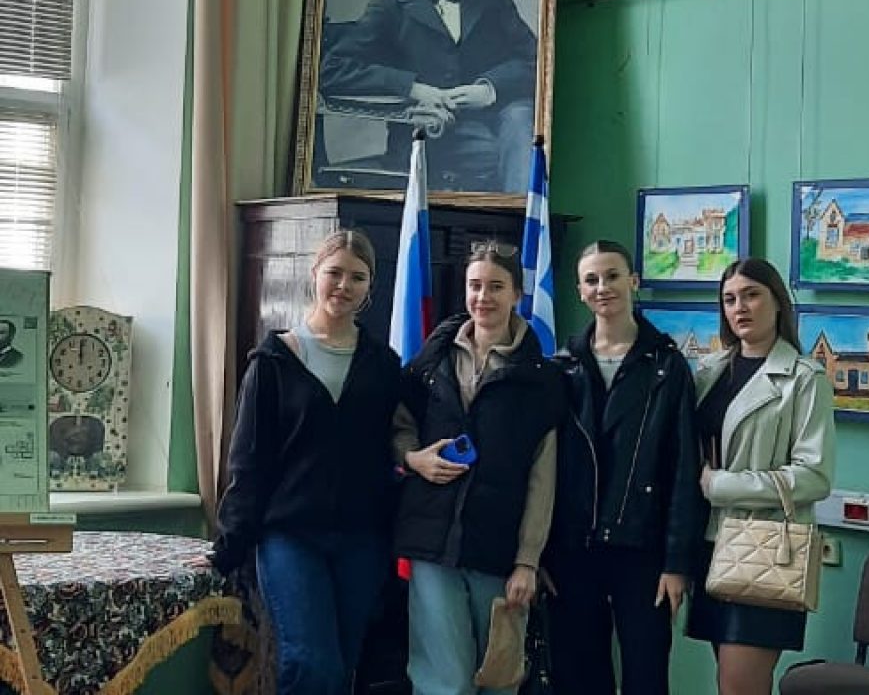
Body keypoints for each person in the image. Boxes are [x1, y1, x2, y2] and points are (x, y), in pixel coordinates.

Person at [208, 229, 401, 695]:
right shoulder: (273, 361)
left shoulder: (384, 364)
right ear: (315, 274)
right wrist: (228, 546)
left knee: (344, 665)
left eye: (357, 277)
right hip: (290, 537)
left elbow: (401, 437)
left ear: (369, 288)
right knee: (312, 663)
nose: (344, 285)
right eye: (335, 273)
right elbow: (248, 462)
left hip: (362, 540)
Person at [392, 241, 565, 695]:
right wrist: (412, 458)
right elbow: (399, 423)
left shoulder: (542, 379)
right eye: (474, 285)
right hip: (433, 541)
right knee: (444, 682)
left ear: (517, 294)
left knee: (499, 679)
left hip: (499, 549)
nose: (483, 297)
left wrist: (527, 561)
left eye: (496, 286)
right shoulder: (434, 357)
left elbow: (543, 477)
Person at [544, 240, 705, 695]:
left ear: (633, 281)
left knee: (646, 676)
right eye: (592, 280)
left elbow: (683, 471)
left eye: (612, 276)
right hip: (573, 550)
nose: (603, 287)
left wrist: (677, 564)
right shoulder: (562, 367)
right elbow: (543, 469)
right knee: (578, 678)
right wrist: (538, 553)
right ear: (579, 291)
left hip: (644, 552)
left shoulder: (667, 367)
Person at [687, 257, 835, 695]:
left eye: (752, 295)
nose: (740, 308)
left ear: (777, 303)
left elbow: (814, 476)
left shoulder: (805, 378)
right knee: (727, 681)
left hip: (766, 546)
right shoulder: (709, 371)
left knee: (740, 686)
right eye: (730, 299)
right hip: (710, 544)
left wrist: (721, 486)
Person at [318, 0, 537, 193]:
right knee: (515, 150)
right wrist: (413, 88)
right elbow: (331, 70)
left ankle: (522, 215)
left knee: (520, 118)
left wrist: (488, 89)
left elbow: (536, 61)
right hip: (429, 129)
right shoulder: (388, 8)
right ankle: (522, 211)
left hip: (498, 120)